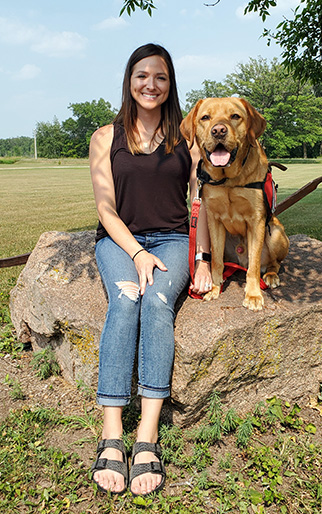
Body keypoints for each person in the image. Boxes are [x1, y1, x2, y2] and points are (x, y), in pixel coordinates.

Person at [89, 43, 211, 497]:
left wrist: (201, 260)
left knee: (157, 303)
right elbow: (105, 208)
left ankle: (148, 437)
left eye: (160, 77)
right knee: (125, 301)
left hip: (175, 240)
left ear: (169, 83)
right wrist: (137, 253)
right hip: (121, 241)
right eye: (142, 76)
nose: (151, 85)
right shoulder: (106, 137)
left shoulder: (189, 138)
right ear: (129, 80)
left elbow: (201, 203)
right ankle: (113, 435)